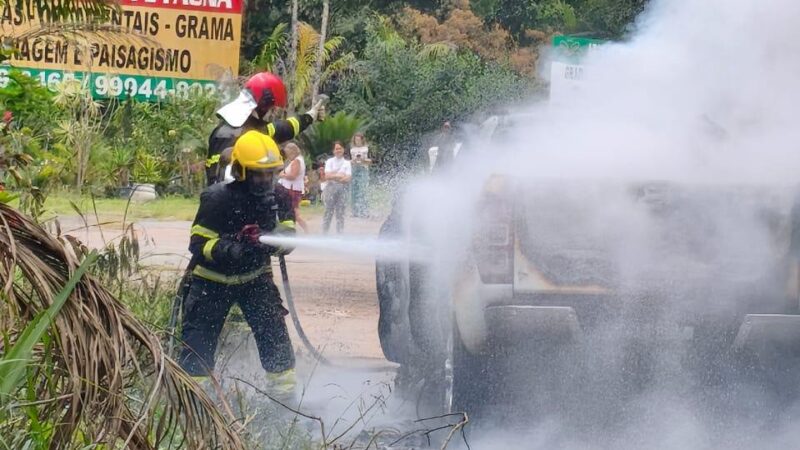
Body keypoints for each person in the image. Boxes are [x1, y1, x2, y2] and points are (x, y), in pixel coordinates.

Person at [179, 130, 298, 398]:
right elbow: (198, 244)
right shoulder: (217, 198)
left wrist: (273, 243)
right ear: (241, 170)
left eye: (270, 173)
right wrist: (230, 249)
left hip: (256, 280)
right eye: (259, 174)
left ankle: (285, 401)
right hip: (211, 284)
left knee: (275, 340)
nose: (266, 180)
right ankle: (196, 405)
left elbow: (289, 236)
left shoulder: (279, 197)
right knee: (197, 348)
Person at [206, 72, 324, 185]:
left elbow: (283, 128)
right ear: (262, 107)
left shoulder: (241, 128)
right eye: (271, 108)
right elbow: (227, 179)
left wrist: (309, 117)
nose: (273, 113)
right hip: (234, 196)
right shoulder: (239, 134)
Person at [322, 141, 351, 234]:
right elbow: (327, 176)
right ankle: (324, 232)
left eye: (340, 148)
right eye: (336, 149)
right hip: (330, 188)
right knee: (328, 211)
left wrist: (333, 175)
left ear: (343, 149)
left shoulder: (347, 163)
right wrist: (340, 175)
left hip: (343, 189)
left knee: (340, 212)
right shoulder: (329, 162)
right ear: (333, 151)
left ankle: (340, 233)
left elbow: (348, 178)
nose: (338, 150)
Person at [278, 142, 308, 233]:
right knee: (293, 212)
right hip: (293, 188)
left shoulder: (297, 161)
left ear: (292, 152)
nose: (287, 156)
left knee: (295, 213)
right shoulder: (299, 160)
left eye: (288, 154)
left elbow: (293, 176)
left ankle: (307, 231)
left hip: (292, 190)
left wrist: (282, 175)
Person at [349, 132, 371, 218]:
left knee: (363, 190)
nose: (357, 141)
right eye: (356, 140)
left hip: (363, 169)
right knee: (354, 190)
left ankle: (364, 211)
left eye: (359, 139)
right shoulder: (352, 150)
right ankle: (355, 211)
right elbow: (350, 161)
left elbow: (370, 161)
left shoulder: (366, 149)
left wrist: (363, 160)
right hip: (354, 170)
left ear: (362, 140)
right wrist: (354, 160)